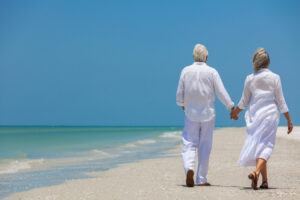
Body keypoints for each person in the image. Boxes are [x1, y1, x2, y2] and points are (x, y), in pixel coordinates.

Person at [230, 48, 293, 190]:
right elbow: (281, 101)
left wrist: (235, 113)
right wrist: (288, 120)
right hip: (270, 115)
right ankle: (257, 172)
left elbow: (244, 101)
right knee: (266, 146)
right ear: (268, 62)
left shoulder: (250, 78)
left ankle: (264, 181)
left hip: (255, 117)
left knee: (261, 146)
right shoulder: (275, 77)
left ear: (255, 62)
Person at [176, 44, 234, 187]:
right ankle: (201, 179)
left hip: (191, 113)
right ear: (206, 57)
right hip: (208, 114)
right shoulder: (212, 72)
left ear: (193, 57)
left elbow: (179, 94)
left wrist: (182, 104)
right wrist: (231, 107)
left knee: (189, 143)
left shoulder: (185, 71)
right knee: (205, 146)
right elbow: (221, 92)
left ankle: (189, 168)